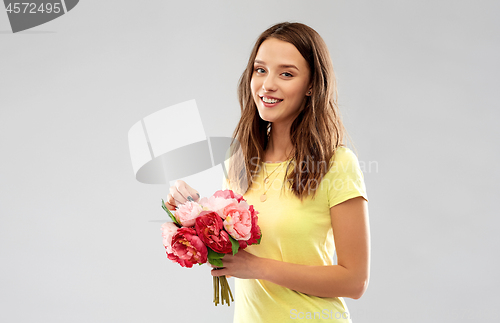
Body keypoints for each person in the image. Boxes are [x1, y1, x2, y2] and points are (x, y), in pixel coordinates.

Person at [166, 22, 370, 323]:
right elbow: (229, 254)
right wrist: (190, 215)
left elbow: (354, 281)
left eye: (286, 73)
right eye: (260, 70)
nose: (267, 84)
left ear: (312, 85)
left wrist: (258, 267)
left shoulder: (336, 164)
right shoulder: (239, 163)